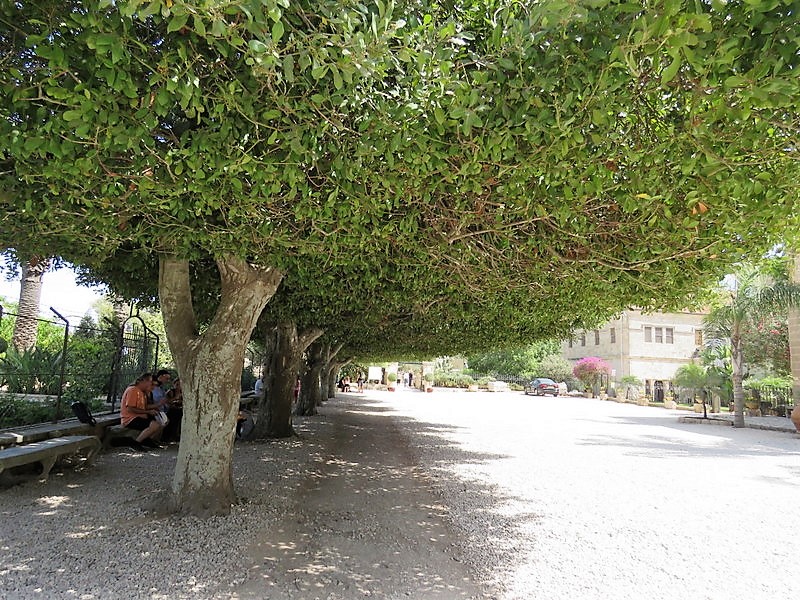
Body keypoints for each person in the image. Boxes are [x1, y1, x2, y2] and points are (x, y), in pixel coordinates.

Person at [121, 372, 164, 450]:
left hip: (139, 417)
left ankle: (146, 440)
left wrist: (154, 408)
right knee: (154, 425)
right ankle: (135, 444)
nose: (151, 385)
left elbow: (144, 407)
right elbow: (130, 408)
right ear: (144, 381)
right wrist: (148, 412)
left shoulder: (142, 392)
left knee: (161, 423)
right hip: (130, 419)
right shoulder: (133, 390)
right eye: (150, 382)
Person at [162, 378, 183, 443]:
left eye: (180, 384)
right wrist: (175, 398)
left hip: (180, 409)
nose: (178, 386)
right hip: (171, 409)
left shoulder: (184, 392)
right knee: (174, 415)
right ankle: (170, 436)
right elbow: (167, 402)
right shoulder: (170, 392)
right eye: (177, 384)